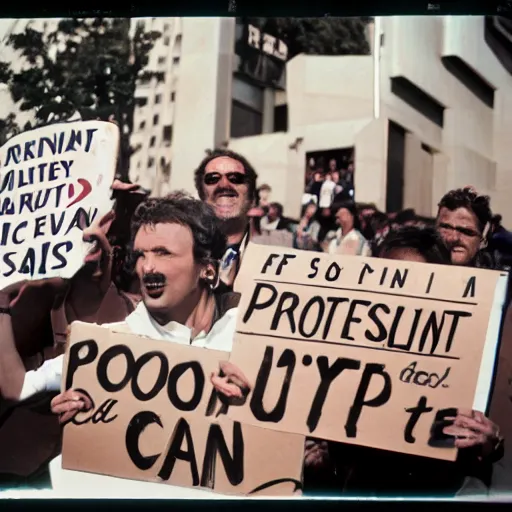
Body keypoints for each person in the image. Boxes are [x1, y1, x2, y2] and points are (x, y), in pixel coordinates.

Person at [5, 192, 241, 498]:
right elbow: (19, 387)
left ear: (207, 268)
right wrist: (52, 411)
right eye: (142, 254)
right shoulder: (104, 346)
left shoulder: (249, 336)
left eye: (163, 253)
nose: (147, 267)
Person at [194, 149, 258, 293]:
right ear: (201, 195)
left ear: (251, 197)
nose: (224, 185)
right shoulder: (184, 249)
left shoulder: (284, 245)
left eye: (235, 178)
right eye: (213, 178)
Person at [436, 187, 496, 268]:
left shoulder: (498, 278)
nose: (453, 238)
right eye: (446, 227)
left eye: (465, 231)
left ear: (483, 238)